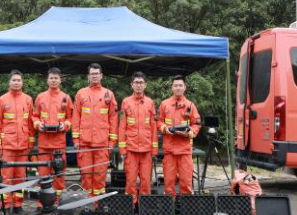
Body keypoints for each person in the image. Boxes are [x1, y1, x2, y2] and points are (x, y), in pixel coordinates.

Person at [0, 69, 35, 214]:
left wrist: (30, 142)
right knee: (6, 177)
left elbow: (30, 123)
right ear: (9, 82)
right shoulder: (2, 100)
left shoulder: (28, 99)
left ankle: (18, 205)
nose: (16, 82)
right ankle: (5, 205)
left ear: (22, 82)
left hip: (23, 146)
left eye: (19, 80)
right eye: (14, 80)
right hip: (7, 146)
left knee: (20, 177)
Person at [72, 63, 118, 196]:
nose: (94, 76)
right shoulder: (81, 93)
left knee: (100, 176)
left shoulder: (109, 94)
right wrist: (76, 140)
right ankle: (86, 204)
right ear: (88, 76)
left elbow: (113, 119)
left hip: (102, 144)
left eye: (97, 74)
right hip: (84, 143)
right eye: (92, 74)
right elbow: (76, 117)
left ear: (101, 76)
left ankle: (98, 204)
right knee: (86, 176)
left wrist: (112, 142)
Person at [32, 67, 74, 207]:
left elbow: (71, 118)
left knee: (59, 175)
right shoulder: (40, 97)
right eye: (51, 78)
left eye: (56, 78)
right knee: (43, 174)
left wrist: (64, 125)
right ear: (47, 80)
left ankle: (58, 201)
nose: (54, 80)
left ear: (60, 80)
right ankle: (43, 203)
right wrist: (38, 124)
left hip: (59, 144)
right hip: (44, 143)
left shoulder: (66, 97)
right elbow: (34, 116)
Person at [157, 75, 201, 196]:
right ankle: (169, 208)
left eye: (180, 85)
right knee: (168, 185)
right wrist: (165, 129)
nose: (178, 88)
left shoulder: (190, 105)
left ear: (184, 87)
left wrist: (189, 133)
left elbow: (197, 124)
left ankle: (186, 208)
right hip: (169, 151)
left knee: (186, 184)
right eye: (175, 85)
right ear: (172, 87)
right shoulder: (164, 104)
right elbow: (158, 121)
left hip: (184, 151)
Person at [118, 72, 158, 204]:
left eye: (141, 83)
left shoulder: (150, 103)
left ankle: (144, 207)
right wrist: (122, 149)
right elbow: (122, 126)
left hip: (147, 150)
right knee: (130, 181)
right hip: (131, 150)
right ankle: (131, 207)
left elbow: (153, 127)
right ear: (131, 85)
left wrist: (154, 149)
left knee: (146, 181)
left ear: (145, 85)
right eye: (136, 82)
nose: (138, 85)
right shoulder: (126, 102)